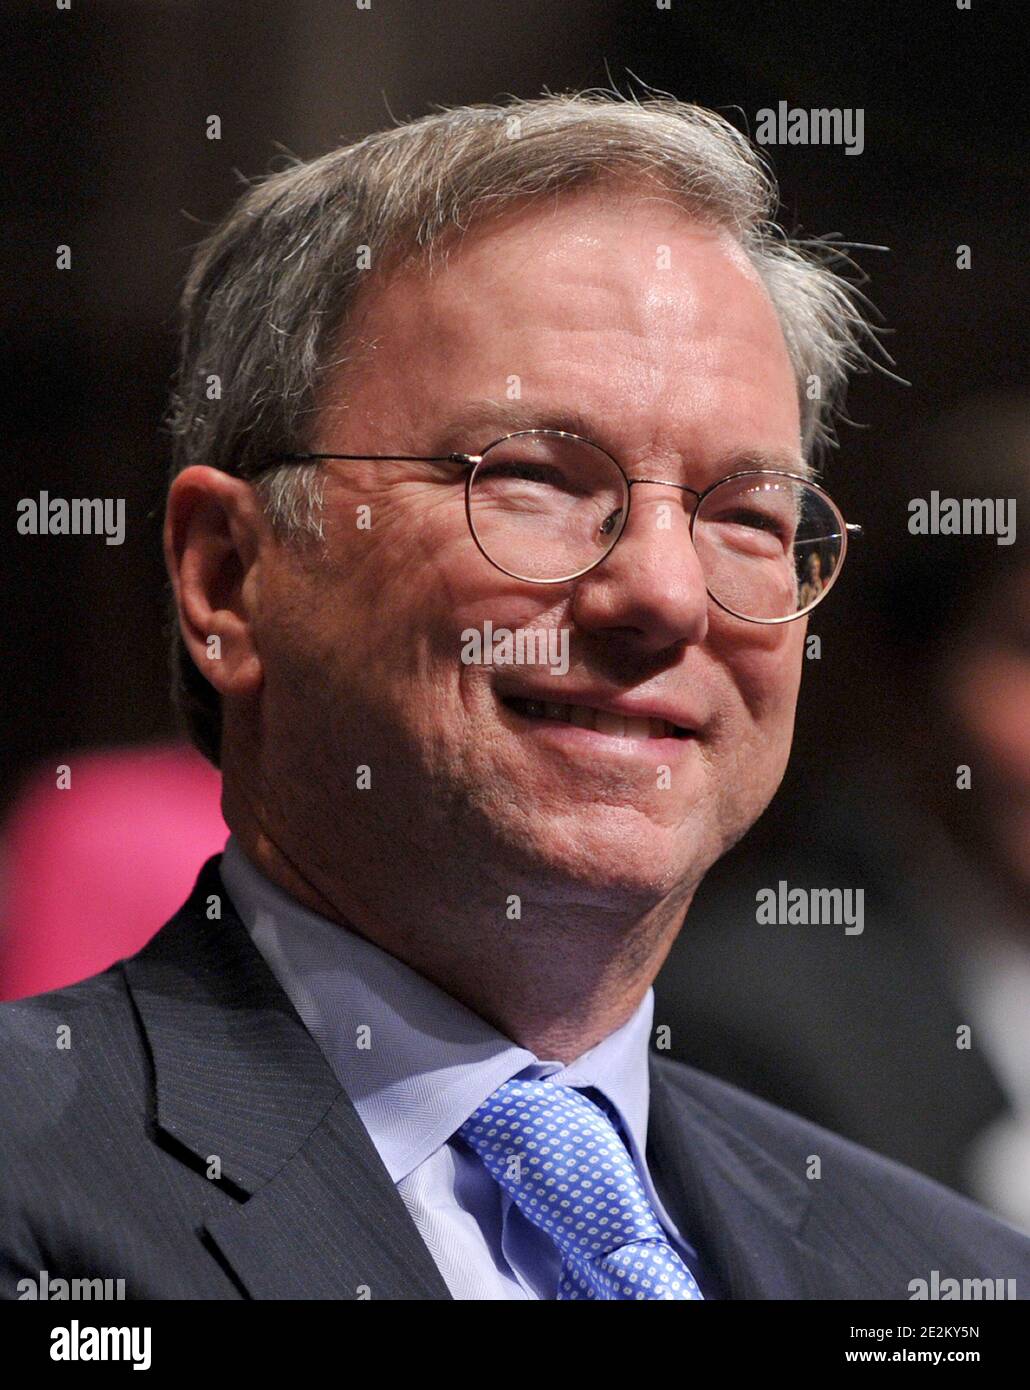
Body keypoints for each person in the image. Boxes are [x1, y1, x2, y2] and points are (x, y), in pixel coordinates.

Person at [1, 93, 1026, 1301]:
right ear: (231, 574)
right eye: (534, 477)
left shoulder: (943, 1278)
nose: (663, 592)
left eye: (747, 514)